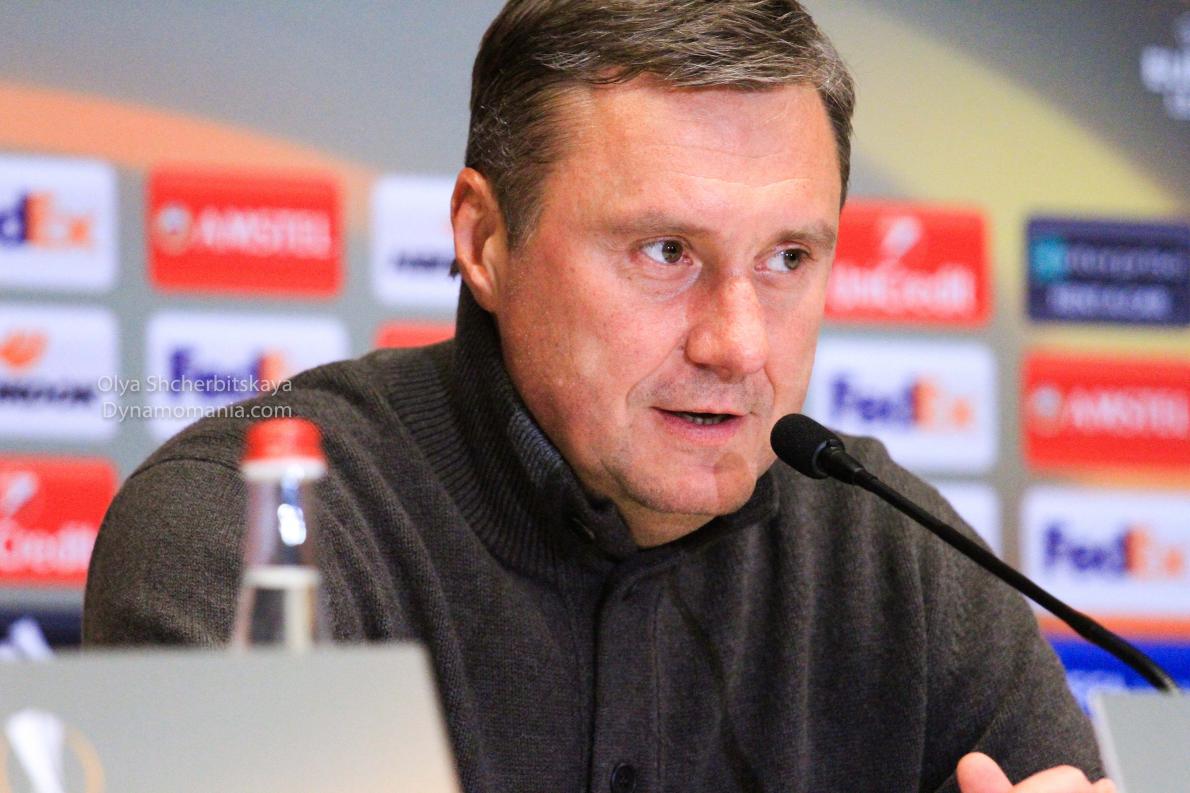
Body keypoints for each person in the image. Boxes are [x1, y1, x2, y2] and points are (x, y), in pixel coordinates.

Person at [85, 2, 1113, 791]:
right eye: (665, 252)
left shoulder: (899, 562)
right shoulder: (258, 528)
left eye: (788, 258)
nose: (737, 343)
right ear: (485, 239)